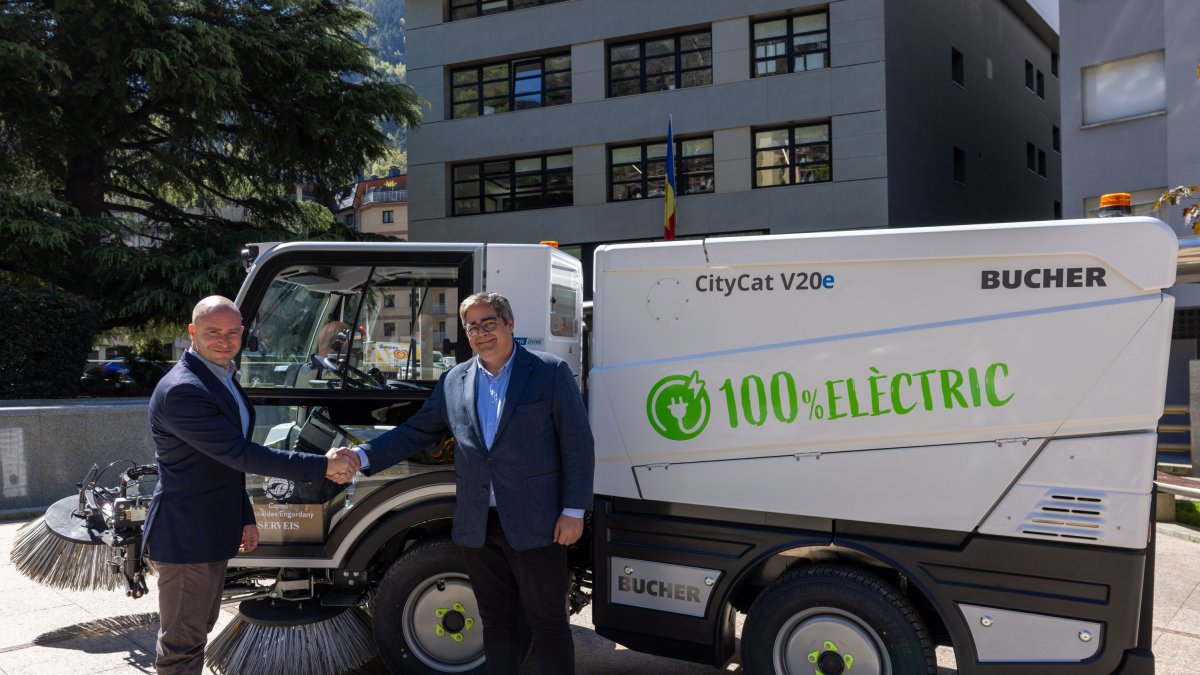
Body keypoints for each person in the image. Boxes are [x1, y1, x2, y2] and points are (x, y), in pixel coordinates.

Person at [335, 291, 594, 674]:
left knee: (548, 622)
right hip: (477, 523)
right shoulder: (455, 380)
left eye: (489, 323)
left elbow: (577, 444)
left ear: (510, 324)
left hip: (538, 522)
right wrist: (362, 457)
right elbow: (415, 432)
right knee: (497, 621)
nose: (481, 332)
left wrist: (573, 510)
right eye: (472, 326)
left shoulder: (548, 372)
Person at [142, 296, 359, 675]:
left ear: (242, 333)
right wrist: (322, 466)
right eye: (213, 333)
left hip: (209, 528)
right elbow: (239, 454)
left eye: (232, 332)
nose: (224, 341)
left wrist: (245, 515)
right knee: (181, 642)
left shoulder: (221, 377)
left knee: (197, 630)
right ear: (193, 332)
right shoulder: (183, 390)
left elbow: (223, 465)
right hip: (186, 534)